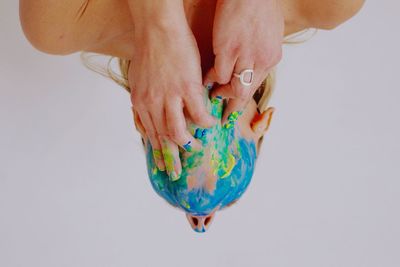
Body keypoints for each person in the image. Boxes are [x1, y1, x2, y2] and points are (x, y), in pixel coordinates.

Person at [19, 0, 365, 232]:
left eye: (180, 142)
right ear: (260, 124)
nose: (197, 126)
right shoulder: (327, 5)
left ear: (144, 122)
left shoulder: (61, 26)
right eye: (219, 156)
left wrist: (159, 23)